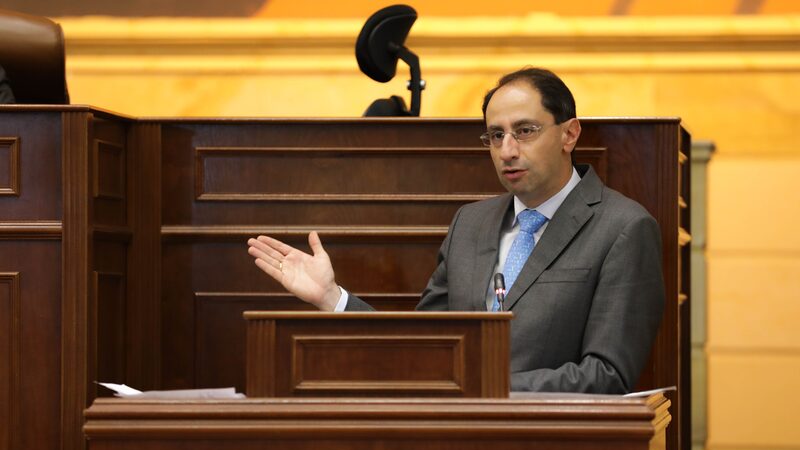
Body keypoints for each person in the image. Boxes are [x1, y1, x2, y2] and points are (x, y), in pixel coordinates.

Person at [247, 67, 665, 394]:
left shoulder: (623, 228)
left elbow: (608, 375)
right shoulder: (471, 224)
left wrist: (480, 388)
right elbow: (423, 347)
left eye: (525, 131)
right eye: (496, 135)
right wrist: (333, 298)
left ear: (569, 133)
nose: (507, 150)